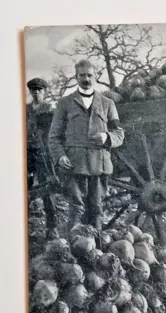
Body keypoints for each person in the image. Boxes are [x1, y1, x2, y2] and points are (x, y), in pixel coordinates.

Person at [48, 59, 125, 235]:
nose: (86, 79)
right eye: (82, 75)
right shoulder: (64, 103)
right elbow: (54, 136)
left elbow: (119, 134)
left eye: (89, 75)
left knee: (97, 210)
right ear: (76, 77)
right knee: (76, 209)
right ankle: (75, 253)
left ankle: (97, 252)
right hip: (75, 165)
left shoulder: (107, 104)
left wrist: (107, 137)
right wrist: (60, 156)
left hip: (99, 165)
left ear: (95, 76)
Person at [26, 77, 59, 239]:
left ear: (44, 92)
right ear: (30, 92)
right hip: (27, 152)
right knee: (25, 189)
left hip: (43, 153)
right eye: (33, 90)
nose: (36, 93)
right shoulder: (25, 110)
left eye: (39, 90)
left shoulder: (49, 109)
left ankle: (52, 227)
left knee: (47, 189)